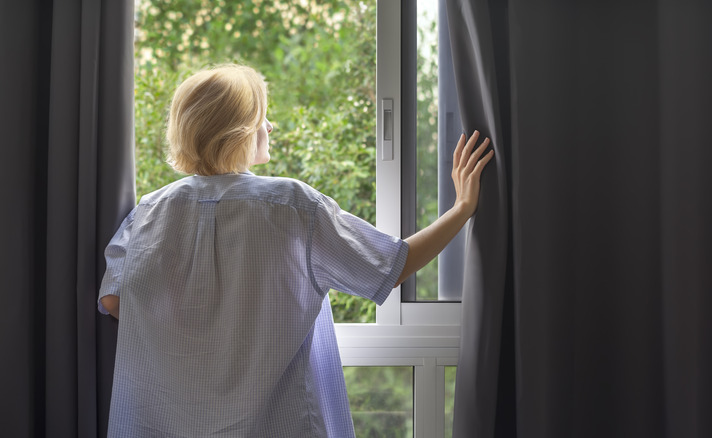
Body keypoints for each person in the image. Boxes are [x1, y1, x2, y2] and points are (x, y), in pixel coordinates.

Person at [98, 63, 493, 437]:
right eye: (261, 117)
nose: (269, 126)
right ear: (240, 131)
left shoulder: (148, 212)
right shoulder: (291, 205)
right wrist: (461, 209)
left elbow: (114, 301)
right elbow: (392, 266)